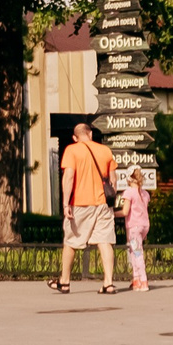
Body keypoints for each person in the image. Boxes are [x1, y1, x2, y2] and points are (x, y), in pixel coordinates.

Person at [50, 122, 117, 294]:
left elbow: (69, 177)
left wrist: (65, 204)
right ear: (91, 134)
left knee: (71, 241)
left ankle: (64, 281)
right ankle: (108, 282)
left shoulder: (72, 150)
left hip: (80, 202)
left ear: (74, 137)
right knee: (105, 241)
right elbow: (113, 180)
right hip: (103, 203)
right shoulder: (105, 151)